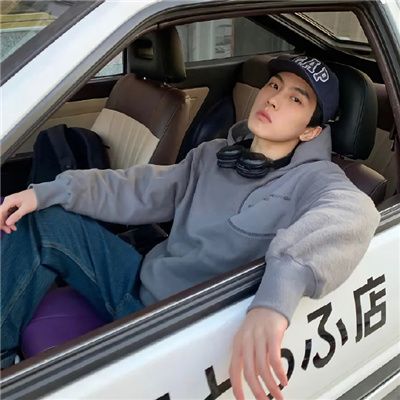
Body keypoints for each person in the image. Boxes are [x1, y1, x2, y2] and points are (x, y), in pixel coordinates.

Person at [0, 56, 380, 400]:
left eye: (296, 99)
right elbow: (138, 188)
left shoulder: (316, 181)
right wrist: (49, 192)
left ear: (311, 131)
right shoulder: (214, 155)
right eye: (274, 85)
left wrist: (275, 299)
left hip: (177, 323)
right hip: (139, 282)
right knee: (41, 219)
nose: (274, 99)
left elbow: (355, 212)